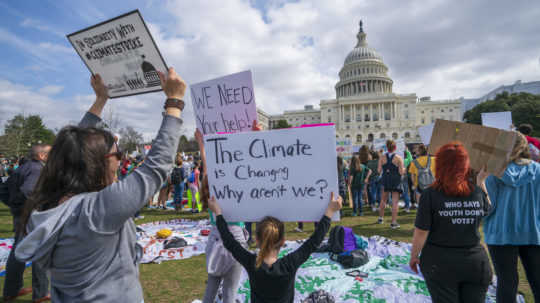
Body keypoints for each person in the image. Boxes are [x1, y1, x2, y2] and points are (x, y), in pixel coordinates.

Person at [14, 69, 186, 302]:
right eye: (119, 154)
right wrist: (174, 102)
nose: (122, 160)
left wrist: (101, 100)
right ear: (98, 163)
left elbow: (71, 149)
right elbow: (156, 167)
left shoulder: (49, 204)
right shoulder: (96, 210)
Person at [208, 192, 342, 303]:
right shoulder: (289, 264)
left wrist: (218, 214)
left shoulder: (252, 263)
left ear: (257, 240)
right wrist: (329, 211)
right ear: (283, 241)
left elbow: (230, 242)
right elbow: (314, 241)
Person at [410, 142, 493, 302]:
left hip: (440, 262)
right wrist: (480, 181)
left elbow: (421, 231)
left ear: (439, 165)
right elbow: (487, 209)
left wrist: (414, 256)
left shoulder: (430, 195)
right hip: (474, 262)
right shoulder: (475, 192)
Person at [483, 132, 540, 302]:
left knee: (507, 282)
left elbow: (488, 207)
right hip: (532, 231)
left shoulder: (493, 172)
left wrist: (480, 184)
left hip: (501, 234)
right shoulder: (538, 170)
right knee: (537, 281)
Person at [3, 144, 51, 303]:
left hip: (22, 214)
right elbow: (28, 191)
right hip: (30, 216)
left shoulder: (23, 167)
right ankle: (41, 292)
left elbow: (3, 189)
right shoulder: (38, 170)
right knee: (40, 251)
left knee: (18, 251)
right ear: (43, 156)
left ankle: (12, 290)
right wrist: (31, 210)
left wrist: (14, 206)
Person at [378, 140, 405, 228]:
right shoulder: (398, 158)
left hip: (385, 179)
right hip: (395, 181)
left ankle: (380, 218)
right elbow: (401, 172)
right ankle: (393, 222)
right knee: (395, 202)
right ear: (395, 148)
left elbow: (379, 171)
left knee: (383, 199)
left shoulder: (382, 157)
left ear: (387, 147)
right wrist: (404, 170)